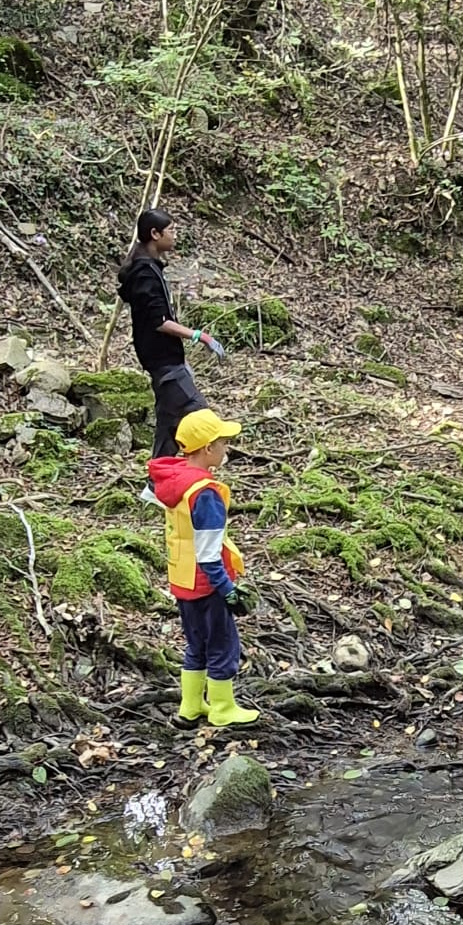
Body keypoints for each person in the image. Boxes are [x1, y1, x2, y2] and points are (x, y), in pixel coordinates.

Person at [148, 408, 260, 729]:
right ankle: (223, 707)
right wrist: (228, 591)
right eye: (224, 442)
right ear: (208, 449)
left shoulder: (175, 481)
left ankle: (190, 705)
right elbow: (209, 553)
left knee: (195, 643)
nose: (227, 448)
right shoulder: (205, 493)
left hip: (181, 579)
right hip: (207, 584)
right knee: (223, 644)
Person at [117, 209, 224, 462]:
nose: (175, 235)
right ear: (155, 234)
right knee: (201, 418)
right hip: (162, 361)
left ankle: (154, 488)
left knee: (168, 426)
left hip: (165, 359)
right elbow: (160, 322)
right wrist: (200, 336)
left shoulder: (151, 268)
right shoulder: (144, 273)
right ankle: (200, 479)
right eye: (171, 230)